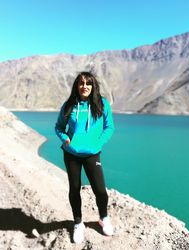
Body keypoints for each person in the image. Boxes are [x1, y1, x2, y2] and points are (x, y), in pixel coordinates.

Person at [55, 71, 114, 244]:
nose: (84, 86)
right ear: (76, 86)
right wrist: (65, 139)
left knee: (100, 190)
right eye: (81, 83)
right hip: (71, 154)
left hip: (92, 154)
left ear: (93, 86)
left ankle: (104, 218)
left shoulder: (102, 104)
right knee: (74, 189)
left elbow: (109, 127)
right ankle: (78, 223)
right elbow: (58, 127)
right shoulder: (69, 105)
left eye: (88, 83)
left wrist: (98, 144)